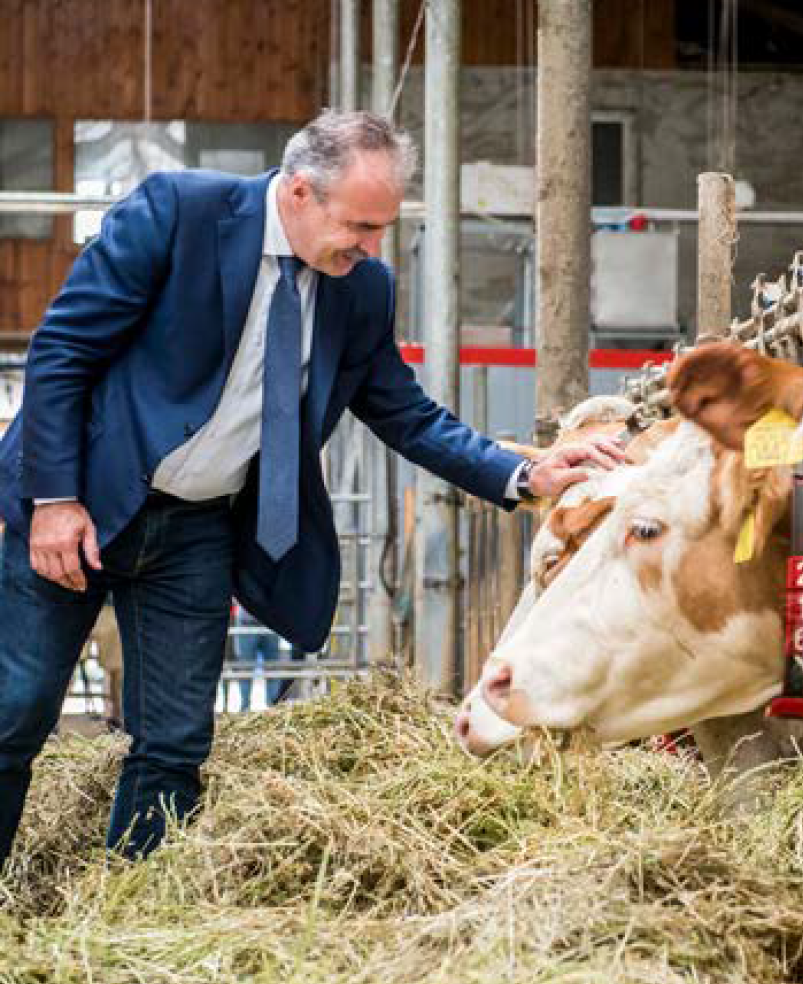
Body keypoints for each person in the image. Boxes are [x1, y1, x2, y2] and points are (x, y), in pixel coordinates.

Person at [0, 109, 620, 862]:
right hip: (85, 507)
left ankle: (129, 901)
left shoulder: (359, 289)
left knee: (174, 741)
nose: (370, 247)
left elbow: (405, 413)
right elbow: (62, 350)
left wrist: (522, 473)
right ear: (299, 192)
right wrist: (53, 501)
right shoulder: (178, 213)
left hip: (197, 527)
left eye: (381, 228)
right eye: (360, 226)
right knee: (16, 709)